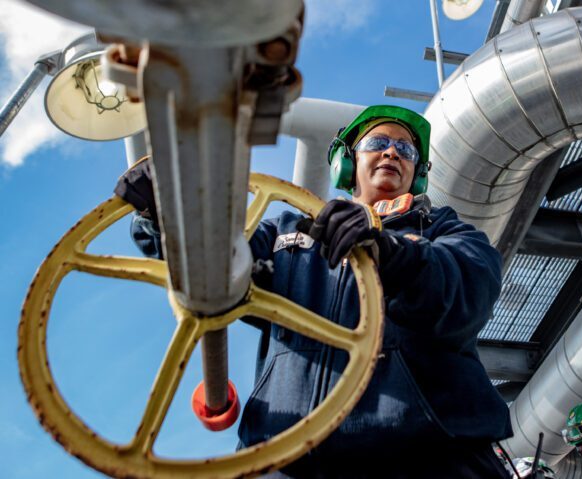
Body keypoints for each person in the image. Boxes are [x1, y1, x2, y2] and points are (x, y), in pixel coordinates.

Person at [115, 105, 512, 478]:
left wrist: (391, 254)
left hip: (430, 458)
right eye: (377, 144)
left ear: (416, 171)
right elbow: (216, 272)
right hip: (284, 458)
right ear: (348, 163)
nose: (391, 152)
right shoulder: (284, 233)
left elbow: (466, 291)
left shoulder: (446, 232)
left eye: (404, 149)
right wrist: (170, 216)